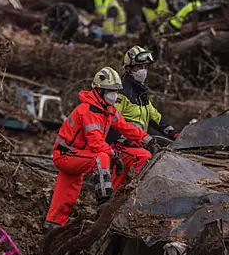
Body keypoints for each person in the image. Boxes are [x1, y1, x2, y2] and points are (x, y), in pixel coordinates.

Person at [44, 67, 157, 230]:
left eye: (116, 91)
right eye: (110, 91)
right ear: (99, 90)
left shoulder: (108, 110)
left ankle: (53, 225)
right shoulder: (89, 111)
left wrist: (147, 140)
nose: (114, 95)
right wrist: (115, 155)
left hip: (77, 154)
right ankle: (104, 204)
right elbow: (96, 144)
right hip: (66, 155)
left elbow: (126, 127)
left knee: (67, 193)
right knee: (101, 158)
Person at [110, 46, 178, 145]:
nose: (143, 71)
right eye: (139, 67)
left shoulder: (141, 93)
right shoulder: (121, 93)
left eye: (145, 67)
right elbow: (111, 123)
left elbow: (154, 117)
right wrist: (127, 141)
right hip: (124, 145)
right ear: (128, 68)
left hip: (141, 142)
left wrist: (173, 133)